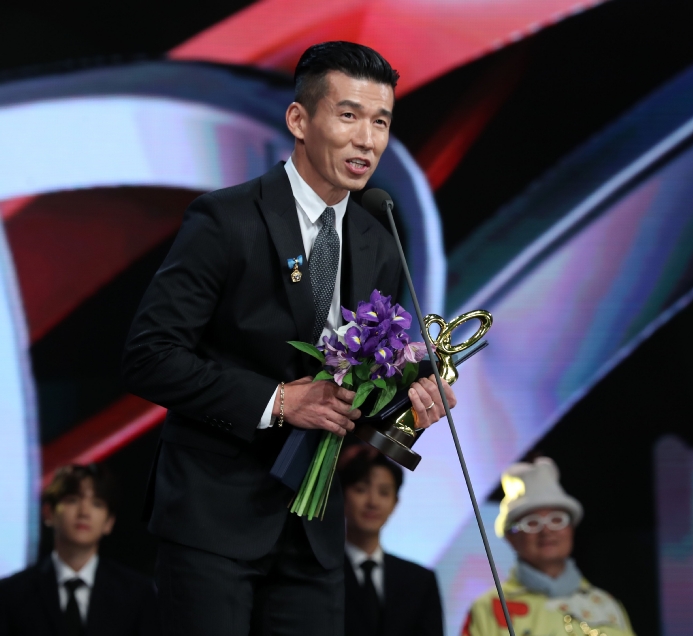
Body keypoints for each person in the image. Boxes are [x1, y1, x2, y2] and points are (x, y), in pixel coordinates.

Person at [121, 41, 456, 635]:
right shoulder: (227, 220)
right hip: (213, 523)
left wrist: (408, 404)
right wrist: (279, 401)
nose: (368, 140)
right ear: (300, 120)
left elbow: (352, 395)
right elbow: (149, 357)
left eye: (381, 121)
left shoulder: (380, 240)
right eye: (349, 115)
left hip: (314, 532)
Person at [462, 458, 635, 636]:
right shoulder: (486, 609)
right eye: (532, 523)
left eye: (557, 520)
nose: (546, 531)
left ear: (571, 530)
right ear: (511, 537)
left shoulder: (607, 605)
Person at [0, 464, 159, 636]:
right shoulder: (12, 593)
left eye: (97, 503)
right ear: (49, 513)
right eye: (72, 500)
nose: (84, 512)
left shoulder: (138, 593)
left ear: (109, 522)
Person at [339, 446, 444, 636]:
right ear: (342, 496)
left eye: (384, 492)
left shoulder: (420, 581)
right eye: (361, 489)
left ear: (395, 503)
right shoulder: (321, 573)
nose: (373, 502)